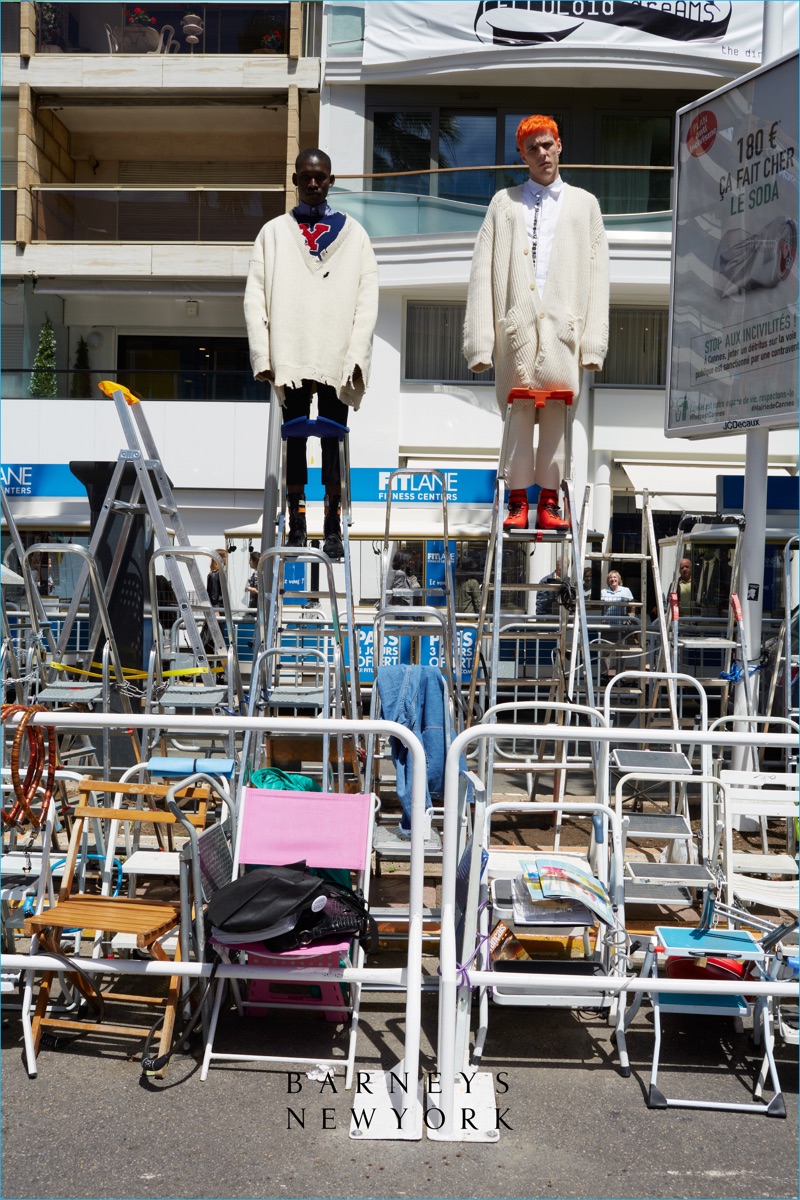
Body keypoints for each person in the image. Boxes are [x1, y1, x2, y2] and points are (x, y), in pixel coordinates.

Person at [463, 115, 609, 533]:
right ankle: (516, 499)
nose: (542, 154)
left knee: (560, 415)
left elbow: (599, 276)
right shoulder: (503, 203)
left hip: (564, 335)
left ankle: (549, 500)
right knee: (517, 413)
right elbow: (482, 272)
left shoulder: (585, 205)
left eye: (548, 145)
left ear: (560, 146)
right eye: (533, 148)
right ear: (522, 155)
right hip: (516, 333)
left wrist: (593, 344)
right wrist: (479, 343)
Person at [244, 148, 379, 560]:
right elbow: (254, 299)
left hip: (335, 354)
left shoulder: (354, 234)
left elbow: (367, 298)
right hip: (293, 351)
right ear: (296, 180)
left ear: (331, 180)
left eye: (320, 177)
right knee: (295, 440)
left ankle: (333, 522)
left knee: (334, 442)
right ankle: (297, 518)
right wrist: (264, 356)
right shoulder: (273, 234)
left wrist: (356, 355)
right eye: (306, 177)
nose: (314, 183)